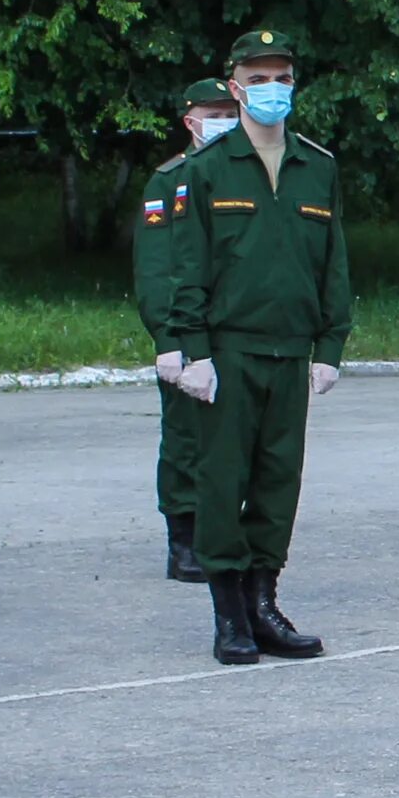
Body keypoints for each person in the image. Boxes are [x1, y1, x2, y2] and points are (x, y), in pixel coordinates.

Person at [166, 29, 352, 666]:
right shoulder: (207, 168)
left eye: (282, 77)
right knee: (223, 482)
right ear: (235, 86)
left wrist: (331, 343)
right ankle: (230, 616)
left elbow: (333, 265)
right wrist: (192, 350)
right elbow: (185, 267)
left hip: (291, 350)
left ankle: (264, 602)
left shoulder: (316, 166)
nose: (272, 89)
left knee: (278, 482)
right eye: (259, 78)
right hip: (230, 350)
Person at [136, 78, 241, 580]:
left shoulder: (244, 175)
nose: (224, 120)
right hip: (185, 328)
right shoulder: (168, 182)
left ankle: (221, 530)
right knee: (183, 437)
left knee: (231, 441)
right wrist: (167, 338)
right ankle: (183, 539)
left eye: (230, 110)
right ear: (190, 121)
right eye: (213, 113)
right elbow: (158, 268)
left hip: (236, 330)